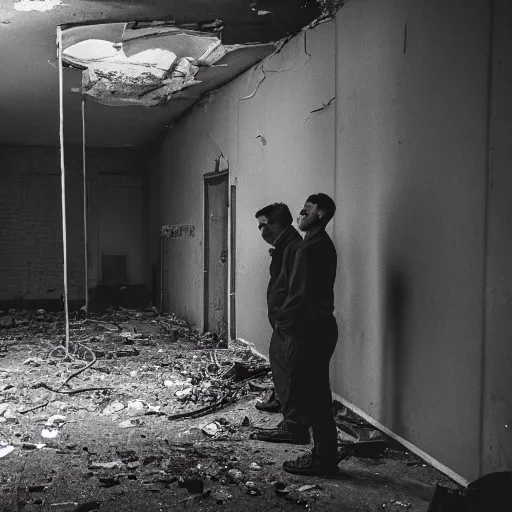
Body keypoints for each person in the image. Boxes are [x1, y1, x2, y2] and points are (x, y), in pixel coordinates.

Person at [257, 193, 340, 476]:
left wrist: (282, 320)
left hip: (310, 331)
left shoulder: (310, 248)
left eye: (307, 210)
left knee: (315, 397)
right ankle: (323, 455)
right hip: (317, 328)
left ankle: (323, 459)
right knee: (316, 395)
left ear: (322, 214)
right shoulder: (316, 244)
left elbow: (299, 295)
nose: (301, 214)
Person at [254, 204, 305, 433]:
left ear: (278, 224)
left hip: (289, 322)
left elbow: (296, 289)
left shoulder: (294, 248)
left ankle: (293, 424)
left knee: (287, 369)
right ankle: (282, 402)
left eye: (263, 225)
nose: (260, 230)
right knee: (280, 366)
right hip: (283, 321)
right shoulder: (284, 247)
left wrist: (284, 317)